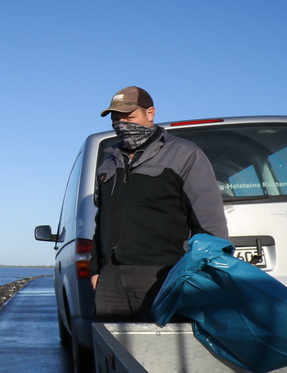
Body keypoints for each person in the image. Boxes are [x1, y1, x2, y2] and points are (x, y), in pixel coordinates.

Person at [91, 86, 227, 321]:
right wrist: (96, 270)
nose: (122, 124)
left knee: (164, 352)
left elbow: (208, 222)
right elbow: (100, 221)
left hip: (163, 275)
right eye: (116, 119)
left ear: (150, 114)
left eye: (129, 117)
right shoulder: (108, 163)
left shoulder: (185, 155)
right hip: (111, 280)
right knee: (112, 352)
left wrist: (206, 275)